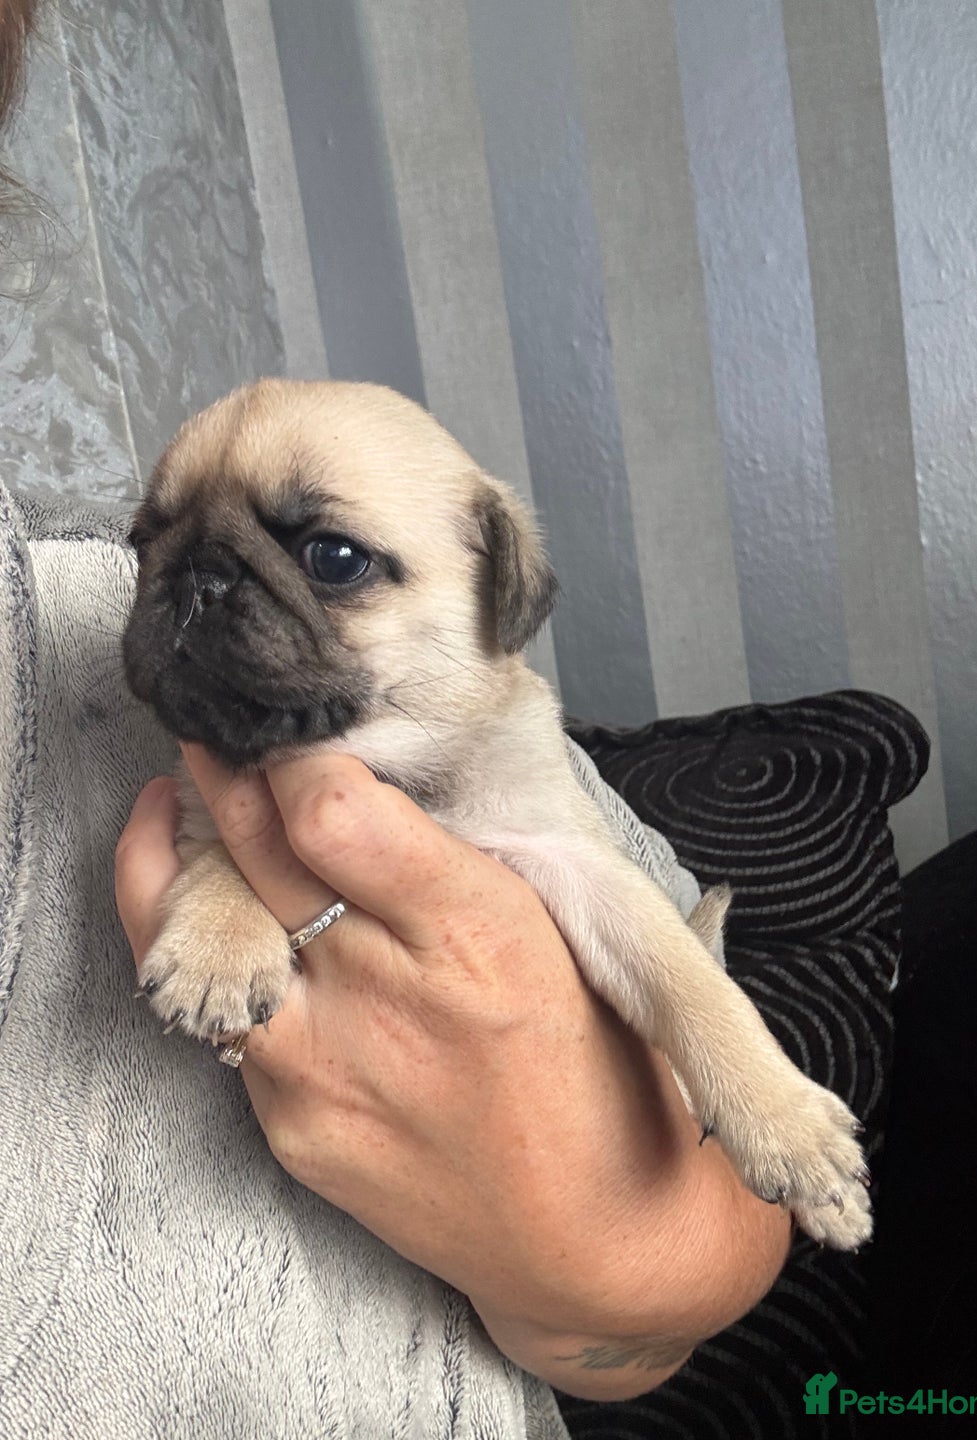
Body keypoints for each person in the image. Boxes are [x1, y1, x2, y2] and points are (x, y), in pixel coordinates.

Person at [0, 7, 789, 1435]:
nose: (192, 594)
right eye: (160, 544)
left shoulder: (501, 754)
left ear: (499, 595)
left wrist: (595, 1245)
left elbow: (704, 1259)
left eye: (329, 559)